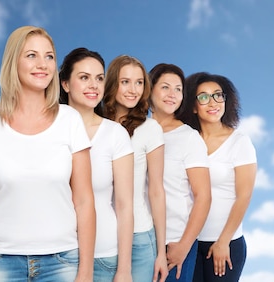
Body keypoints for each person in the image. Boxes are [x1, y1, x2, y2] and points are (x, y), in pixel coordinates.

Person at [0, 26, 96, 282]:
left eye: (49, 56)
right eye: (31, 55)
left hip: (62, 262)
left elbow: (84, 201)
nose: (42, 64)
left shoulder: (70, 120)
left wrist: (86, 272)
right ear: (14, 62)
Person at [59, 48, 134, 282]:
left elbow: (124, 205)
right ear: (65, 84)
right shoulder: (48, 130)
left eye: (99, 78)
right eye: (84, 77)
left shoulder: (115, 134)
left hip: (104, 258)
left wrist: (124, 269)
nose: (94, 85)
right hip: (53, 258)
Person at [178, 72, 257, 282]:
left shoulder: (240, 142)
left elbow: (244, 196)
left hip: (225, 244)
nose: (212, 102)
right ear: (193, 106)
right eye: (203, 97)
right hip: (189, 244)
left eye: (217, 95)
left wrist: (223, 241)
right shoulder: (186, 140)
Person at [98, 55, 168, 282]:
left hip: (139, 237)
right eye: (125, 81)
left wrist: (160, 253)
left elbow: (156, 190)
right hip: (99, 237)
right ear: (112, 84)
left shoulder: (150, 128)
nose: (133, 89)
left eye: (139, 83)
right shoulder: (95, 124)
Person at [148, 63, 212, 282]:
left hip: (174, 242)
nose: (172, 94)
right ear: (150, 89)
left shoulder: (189, 138)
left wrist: (184, 246)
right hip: (140, 241)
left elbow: (203, 196)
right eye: (165, 87)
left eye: (178, 89)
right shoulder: (135, 132)